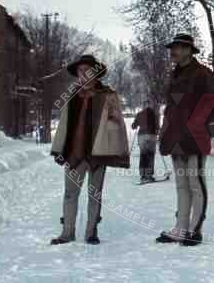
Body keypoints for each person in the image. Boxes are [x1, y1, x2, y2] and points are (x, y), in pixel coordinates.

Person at [49, 54, 130, 245]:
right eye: (80, 70)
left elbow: (117, 125)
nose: (84, 74)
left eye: (88, 70)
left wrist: (111, 129)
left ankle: (91, 232)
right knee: (70, 194)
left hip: (97, 153)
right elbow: (64, 124)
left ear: (95, 73)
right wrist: (60, 148)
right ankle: (67, 233)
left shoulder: (108, 95)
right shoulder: (71, 95)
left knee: (94, 194)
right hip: (74, 153)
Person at [156, 33, 214, 246]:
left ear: (188, 50)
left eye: (177, 47)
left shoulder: (204, 74)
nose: (173, 51)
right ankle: (180, 228)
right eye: (172, 48)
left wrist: (196, 124)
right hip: (176, 138)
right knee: (181, 186)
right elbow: (171, 109)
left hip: (194, 137)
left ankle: (195, 230)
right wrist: (165, 133)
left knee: (195, 184)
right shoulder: (174, 75)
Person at [132, 99, 159, 183]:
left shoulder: (139, 114)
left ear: (143, 105)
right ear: (150, 105)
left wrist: (136, 125)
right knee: (150, 155)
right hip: (151, 135)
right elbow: (157, 126)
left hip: (141, 136)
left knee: (143, 155)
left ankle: (143, 175)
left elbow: (133, 126)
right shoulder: (154, 114)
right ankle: (149, 175)